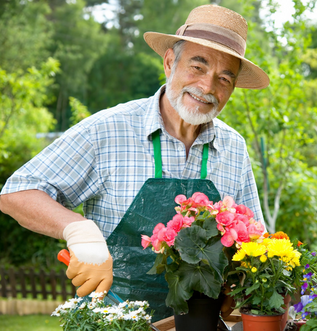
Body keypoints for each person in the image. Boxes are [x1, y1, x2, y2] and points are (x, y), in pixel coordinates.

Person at [0, 4, 269, 322]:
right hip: (111, 323)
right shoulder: (107, 130)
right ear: (170, 62)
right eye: (198, 67)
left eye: (224, 78)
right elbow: (17, 192)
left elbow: (255, 239)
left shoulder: (233, 148)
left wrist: (237, 284)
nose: (208, 87)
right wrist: (79, 230)